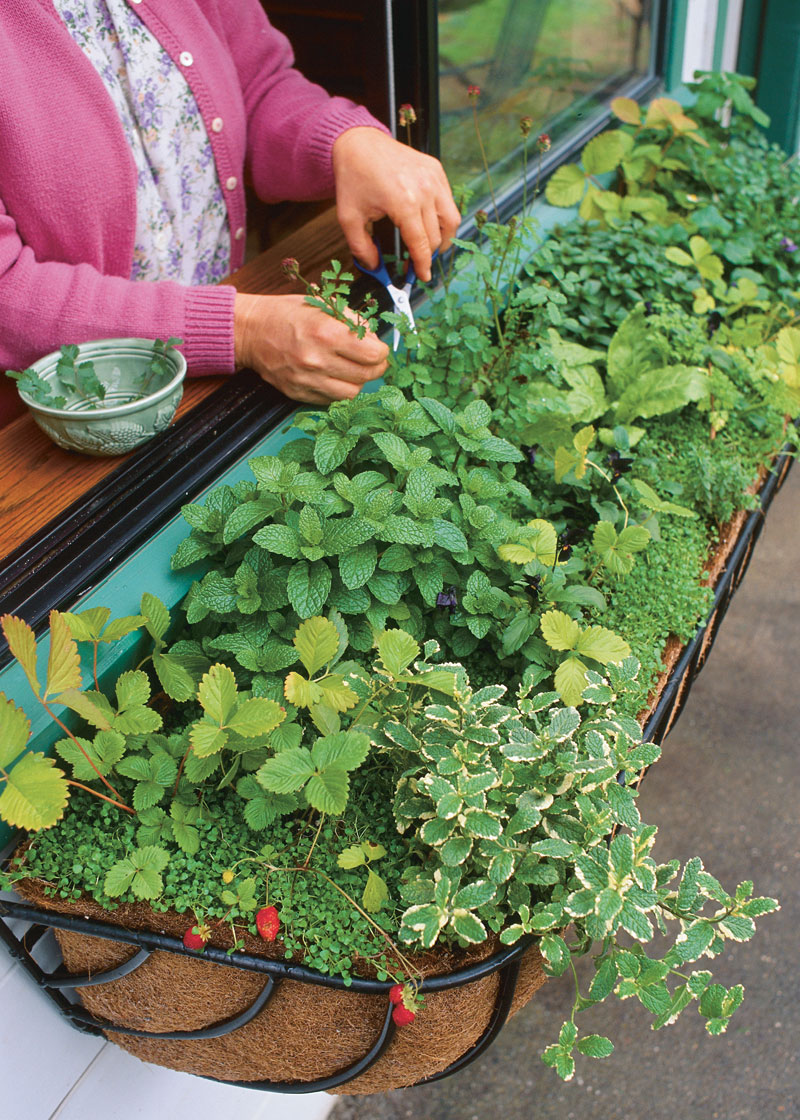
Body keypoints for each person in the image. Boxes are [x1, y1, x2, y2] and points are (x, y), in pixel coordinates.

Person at [0, 0, 461, 426]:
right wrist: (239, 330)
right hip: (69, 430)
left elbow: (257, 85)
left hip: (232, 375)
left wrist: (346, 143)